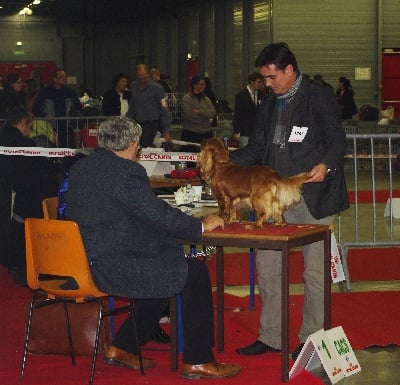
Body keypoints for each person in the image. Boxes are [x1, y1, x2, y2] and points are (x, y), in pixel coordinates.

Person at [65, 116, 241, 380]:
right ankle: (199, 360)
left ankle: (123, 346)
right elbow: (156, 214)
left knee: (165, 267)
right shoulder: (127, 171)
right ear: (133, 144)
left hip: (80, 260)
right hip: (111, 265)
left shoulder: (81, 168)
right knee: (192, 270)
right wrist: (200, 226)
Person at [230, 43, 349, 360]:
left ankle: (312, 338)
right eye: (265, 78)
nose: (267, 84)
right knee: (267, 270)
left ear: (289, 71)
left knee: (315, 274)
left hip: (313, 196)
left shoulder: (318, 96)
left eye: (272, 77)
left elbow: (337, 139)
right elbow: (256, 148)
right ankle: (272, 336)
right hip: (272, 200)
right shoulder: (268, 103)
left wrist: (326, 165)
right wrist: (224, 162)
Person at [0, 107, 59, 285]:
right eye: (30, 126)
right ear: (23, 123)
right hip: (20, 194)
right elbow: (39, 169)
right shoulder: (22, 145)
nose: (30, 130)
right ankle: (25, 265)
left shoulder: (5, 139)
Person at [33, 69, 82, 148]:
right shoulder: (44, 92)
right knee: (51, 149)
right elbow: (36, 109)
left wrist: (74, 119)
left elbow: (77, 107)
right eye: (61, 77)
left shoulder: (70, 92)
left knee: (69, 149)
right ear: (54, 79)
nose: (64, 78)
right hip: (50, 127)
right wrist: (44, 115)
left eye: (65, 76)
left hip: (66, 127)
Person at [126, 64, 171, 148]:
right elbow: (132, 106)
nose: (142, 80)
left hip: (151, 124)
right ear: (136, 76)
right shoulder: (133, 86)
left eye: (144, 77)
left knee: (144, 144)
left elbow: (164, 109)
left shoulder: (158, 88)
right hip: (137, 123)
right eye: (140, 78)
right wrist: (127, 120)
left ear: (148, 75)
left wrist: (166, 130)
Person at [181, 75, 216, 153]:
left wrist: (200, 112)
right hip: (191, 133)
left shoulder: (206, 99)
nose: (204, 86)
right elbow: (189, 116)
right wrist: (206, 116)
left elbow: (213, 112)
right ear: (195, 85)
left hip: (206, 133)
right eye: (202, 84)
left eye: (204, 84)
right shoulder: (187, 99)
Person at [232, 71, 264, 148]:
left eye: (261, 82)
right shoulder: (241, 96)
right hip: (245, 131)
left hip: (257, 132)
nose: (260, 84)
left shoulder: (261, 95)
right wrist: (237, 131)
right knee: (245, 154)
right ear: (251, 82)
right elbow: (238, 114)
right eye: (258, 82)